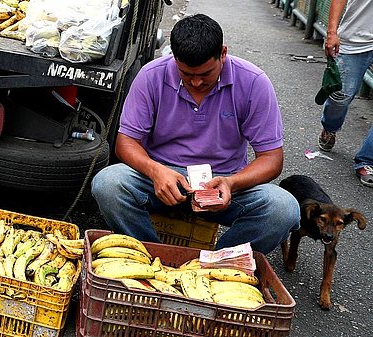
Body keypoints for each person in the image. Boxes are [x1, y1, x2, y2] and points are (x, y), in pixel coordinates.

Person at [91, 14, 300, 254]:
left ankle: (213, 263)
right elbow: (126, 142)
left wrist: (231, 183)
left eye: (206, 74)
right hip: (162, 177)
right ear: (174, 57)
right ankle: (152, 257)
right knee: (108, 183)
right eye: (187, 74)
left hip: (224, 181)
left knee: (283, 209)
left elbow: (272, 158)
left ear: (223, 54)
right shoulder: (152, 75)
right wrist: (155, 171)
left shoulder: (254, 82)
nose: (197, 83)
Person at [317, 0, 373, 187]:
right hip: (355, 38)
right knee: (340, 96)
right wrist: (332, 33)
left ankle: (367, 160)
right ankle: (329, 127)